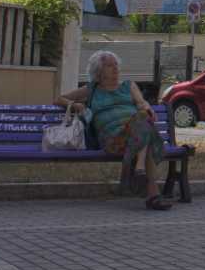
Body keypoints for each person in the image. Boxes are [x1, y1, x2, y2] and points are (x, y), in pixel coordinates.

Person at [57, 51, 173, 210]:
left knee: (143, 122)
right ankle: (145, 182)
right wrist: (75, 105)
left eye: (116, 64)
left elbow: (141, 102)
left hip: (135, 135)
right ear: (99, 71)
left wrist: (146, 107)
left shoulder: (128, 85)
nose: (115, 68)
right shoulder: (91, 89)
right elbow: (59, 99)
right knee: (146, 131)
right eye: (110, 65)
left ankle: (146, 182)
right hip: (113, 140)